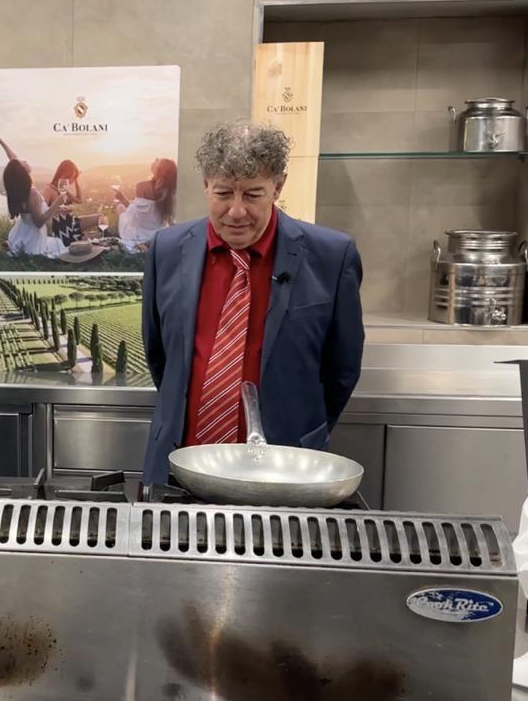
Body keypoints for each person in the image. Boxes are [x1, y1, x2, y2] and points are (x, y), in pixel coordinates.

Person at [140, 121, 364, 484]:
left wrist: (301, 432)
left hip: (284, 471)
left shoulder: (331, 257)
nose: (237, 211)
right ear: (205, 185)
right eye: (223, 193)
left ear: (278, 186)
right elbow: (160, 357)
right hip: (177, 466)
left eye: (253, 195)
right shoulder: (166, 250)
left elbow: (342, 371)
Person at [115, 158, 177, 250]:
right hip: (159, 234)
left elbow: (134, 219)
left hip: (139, 236)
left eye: (158, 161)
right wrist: (125, 200)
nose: (156, 159)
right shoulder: (171, 190)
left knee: (120, 207)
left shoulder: (142, 186)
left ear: (158, 170)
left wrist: (122, 201)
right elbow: (146, 210)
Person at [42, 160, 85, 245]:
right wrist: (58, 210)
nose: (71, 180)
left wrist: (76, 181)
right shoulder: (49, 189)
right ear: (61, 174)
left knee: (99, 218)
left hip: (71, 224)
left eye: (73, 177)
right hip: (60, 229)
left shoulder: (63, 190)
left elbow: (79, 200)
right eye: (69, 177)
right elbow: (42, 212)